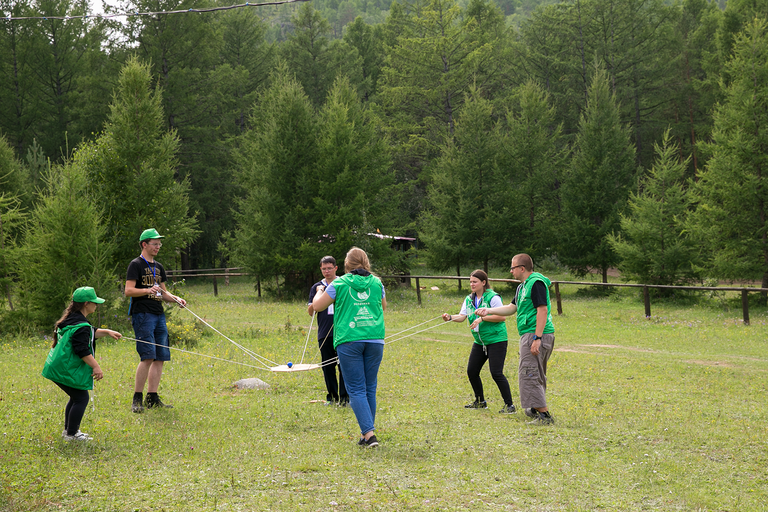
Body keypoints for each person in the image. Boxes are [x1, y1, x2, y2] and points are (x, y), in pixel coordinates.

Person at [312, 247, 386, 447]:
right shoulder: (377, 282)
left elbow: (317, 306)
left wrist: (320, 290)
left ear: (346, 265)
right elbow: (383, 306)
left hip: (349, 339)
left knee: (355, 389)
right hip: (375, 338)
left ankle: (369, 435)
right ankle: (366, 434)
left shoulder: (339, 283)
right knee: (370, 387)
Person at [476, 254, 555, 425]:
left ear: (522, 268)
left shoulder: (536, 283)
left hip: (535, 334)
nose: (510, 271)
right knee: (535, 371)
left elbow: (542, 310)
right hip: (530, 334)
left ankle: (544, 416)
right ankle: (535, 408)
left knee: (529, 372)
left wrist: (537, 338)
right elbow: (512, 308)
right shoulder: (522, 288)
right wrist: (487, 310)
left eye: (512, 267)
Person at [42, 287, 122, 441]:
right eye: (94, 302)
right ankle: (71, 435)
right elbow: (82, 350)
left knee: (76, 396)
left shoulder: (73, 319)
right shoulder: (81, 325)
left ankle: (69, 432)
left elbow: (89, 333)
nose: (96, 305)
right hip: (65, 368)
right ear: (86, 303)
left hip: (58, 366)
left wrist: (107, 332)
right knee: (81, 398)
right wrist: (96, 366)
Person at [125, 228, 187, 413]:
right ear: (144, 244)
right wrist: (146, 290)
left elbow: (163, 292)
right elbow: (128, 290)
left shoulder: (158, 267)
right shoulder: (135, 264)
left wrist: (176, 299)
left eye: (159, 244)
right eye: (155, 244)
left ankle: (152, 397)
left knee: (160, 356)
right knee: (148, 355)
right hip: (142, 314)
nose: (158, 247)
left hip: (159, 314)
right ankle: (137, 398)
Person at [442, 270, 516, 414]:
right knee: (472, 371)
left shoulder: (493, 298)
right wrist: (450, 317)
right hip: (480, 342)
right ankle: (480, 402)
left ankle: (510, 405)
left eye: (475, 282)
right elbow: (462, 317)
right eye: (470, 282)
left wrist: (483, 318)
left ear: (483, 282)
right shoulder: (469, 299)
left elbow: (501, 317)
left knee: (496, 373)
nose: (472, 284)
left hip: (496, 340)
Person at [307, 256, 349, 406]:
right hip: (325, 333)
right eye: (324, 269)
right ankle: (332, 397)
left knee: (344, 365)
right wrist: (319, 294)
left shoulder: (343, 284)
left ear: (336, 268)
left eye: (329, 268)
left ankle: (345, 399)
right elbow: (311, 312)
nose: (327, 271)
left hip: (343, 332)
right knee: (327, 367)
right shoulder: (316, 287)